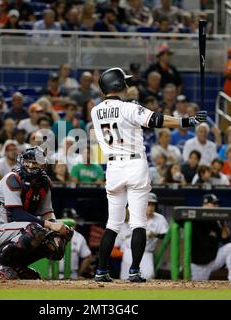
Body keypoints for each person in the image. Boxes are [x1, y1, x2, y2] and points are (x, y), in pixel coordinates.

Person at [90, 67, 206, 282]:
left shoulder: (95, 111)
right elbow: (157, 120)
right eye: (124, 82)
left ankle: (101, 271)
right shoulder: (129, 108)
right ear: (117, 85)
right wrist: (188, 121)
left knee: (112, 224)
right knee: (138, 222)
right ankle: (134, 271)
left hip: (113, 168)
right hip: (134, 165)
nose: (127, 85)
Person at [0, 147, 73, 280]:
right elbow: (16, 214)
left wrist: (58, 229)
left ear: (42, 164)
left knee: (57, 243)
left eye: (34, 162)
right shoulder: (12, 178)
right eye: (27, 161)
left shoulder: (44, 182)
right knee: (34, 230)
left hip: (20, 229)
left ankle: (19, 266)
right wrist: (49, 225)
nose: (30, 165)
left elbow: (47, 213)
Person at [118, 193, 169, 280]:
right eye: (148, 204)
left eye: (152, 204)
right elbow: (122, 235)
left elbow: (166, 236)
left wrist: (154, 234)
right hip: (130, 252)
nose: (150, 207)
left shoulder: (160, 218)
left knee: (149, 276)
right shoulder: (132, 215)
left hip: (146, 252)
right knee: (126, 278)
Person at [191, 194, 231, 281]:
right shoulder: (194, 218)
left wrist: (223, 223)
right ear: (205, 205)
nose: (217, 206)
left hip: (212, 261)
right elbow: (179, 220)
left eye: (217, 204)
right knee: (197, 290)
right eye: (214, 204)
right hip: (197, 265)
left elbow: (226, 240)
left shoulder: (215, 222)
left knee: (230, 247)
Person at [59, 208, 92, 280]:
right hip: (54, 275)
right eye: (72, 219)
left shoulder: (79, 237)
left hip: (73, 276)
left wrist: (79, 273)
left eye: (74, 219)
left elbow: (88, 256)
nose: (74, 222)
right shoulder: (53, 234)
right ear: (62, 219)